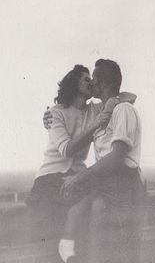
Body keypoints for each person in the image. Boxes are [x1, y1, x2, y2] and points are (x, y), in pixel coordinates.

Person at [60, 59, 145, 263]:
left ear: (104, 82)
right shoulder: (109, 108)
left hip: (123, 181)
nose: (92, 83)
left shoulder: (123, 111)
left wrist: (80, 177)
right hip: (109, 180)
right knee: (88, 201)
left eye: (95, 79)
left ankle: (82, 261)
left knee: (86, 194)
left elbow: (118, 157)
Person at [27, 64, 136, 235]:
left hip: (76, 174)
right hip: (51, 175)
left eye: (92, 79)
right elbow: (66, 150)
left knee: (97, 200)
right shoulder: (55, 113)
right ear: (74, 83)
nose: (91, 82)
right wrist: (97, 124)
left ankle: (75, 251)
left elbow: (130, 96)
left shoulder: (95, 109)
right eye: (86, 79)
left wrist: (112, 102)